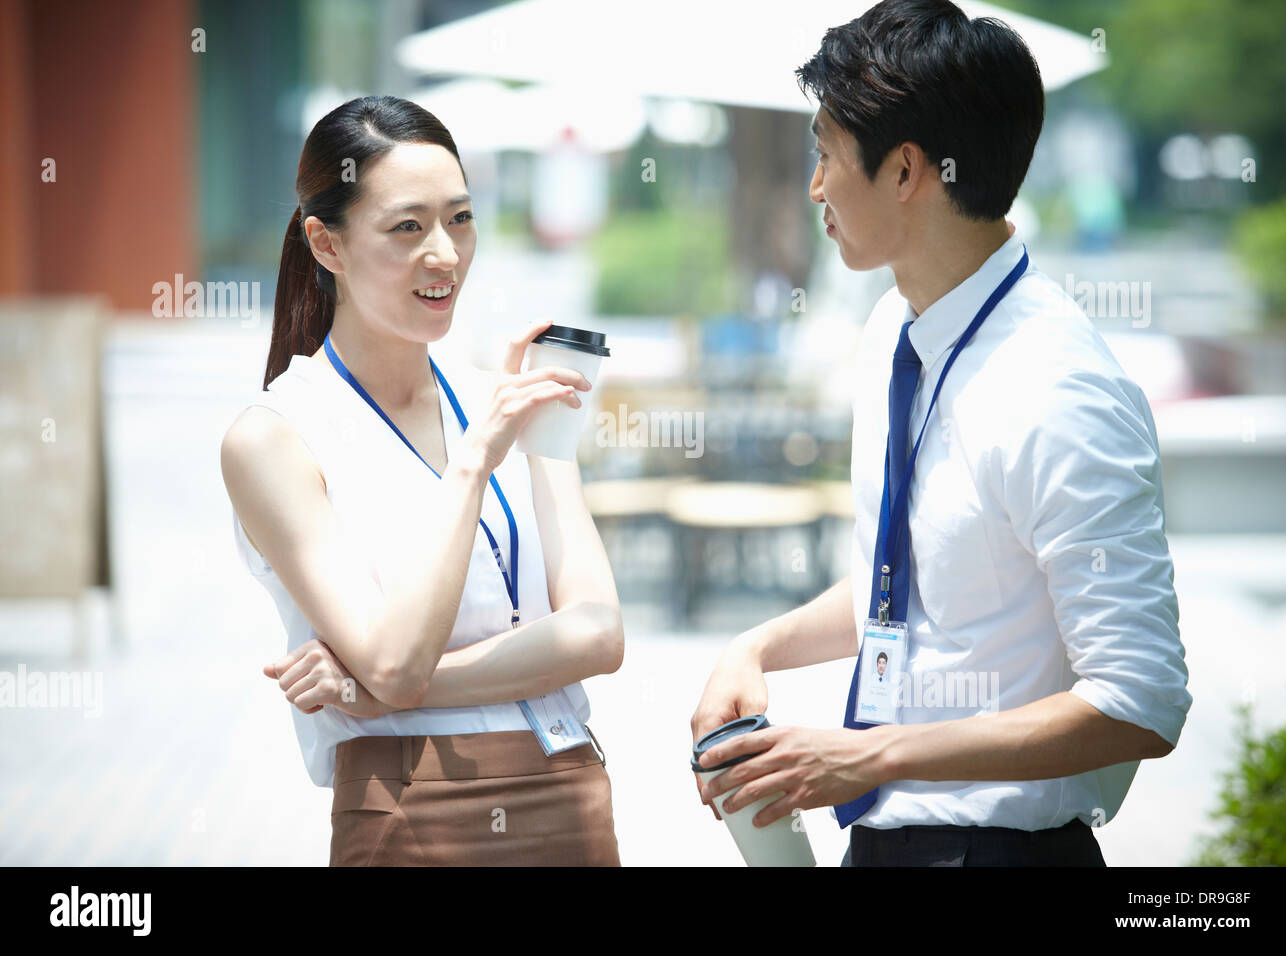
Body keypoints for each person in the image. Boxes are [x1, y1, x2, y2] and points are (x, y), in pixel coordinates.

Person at [691, 0, 1191, 867]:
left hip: (1000, 855)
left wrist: (868, 755)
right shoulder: (894, 327)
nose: (814, 186)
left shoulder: (1061, 387)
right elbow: (913, 580)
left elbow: (1141, 700)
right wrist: (758, 645)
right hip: (884, 843)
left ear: (906, 172)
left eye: (825, 152)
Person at [221, 95, 623, 866]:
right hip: (411, 805)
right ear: (325, 243)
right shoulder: (274, 438)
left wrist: (368, 691)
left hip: (565, 784)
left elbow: (600, 634)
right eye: (407, 227)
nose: (444, 253)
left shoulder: (503, 394)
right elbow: (394, 659)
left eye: (460, 219)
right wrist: (474, 462)